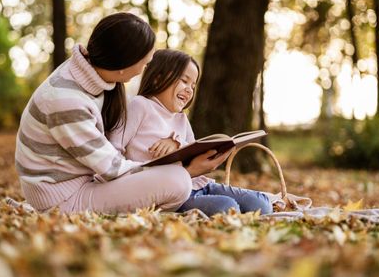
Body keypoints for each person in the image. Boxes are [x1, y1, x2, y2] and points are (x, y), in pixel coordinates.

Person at [15, 13, 231, 214]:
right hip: (61, 199)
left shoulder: (91, 75)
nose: (148, 64)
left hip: (80, 183)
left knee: (178, 178)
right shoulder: (66, 101)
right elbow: (111, 168)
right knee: (178, 181)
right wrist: (188, 170)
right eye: (146, 60)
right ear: (123, 64)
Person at [108, 49, 273, 216]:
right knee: (228, 207)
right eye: (184, 81)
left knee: (262, 204)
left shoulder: (181, 118)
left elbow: (192, 149)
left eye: (193, 86)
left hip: (198, 183)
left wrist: (179, 144)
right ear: (158, 78)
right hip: (173, 193)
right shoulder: (139, 106)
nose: (189, 90)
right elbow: (113, 151)